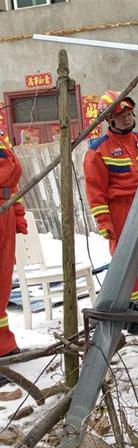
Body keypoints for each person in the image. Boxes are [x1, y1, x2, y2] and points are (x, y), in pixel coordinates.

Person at [83, 90, 138, 301]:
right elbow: (96, 192)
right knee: (125, 262)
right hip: (122, 211)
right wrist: (104, 222)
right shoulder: (98, 151)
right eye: (121, 115)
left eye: (129, 113)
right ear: (109, 120)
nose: (127, 117)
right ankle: (128, 307)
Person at [0, 129, 27, 386]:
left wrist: (17, 212)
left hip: (4, 212)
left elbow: (11, 182)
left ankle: (4, 347)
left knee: (2, 285)